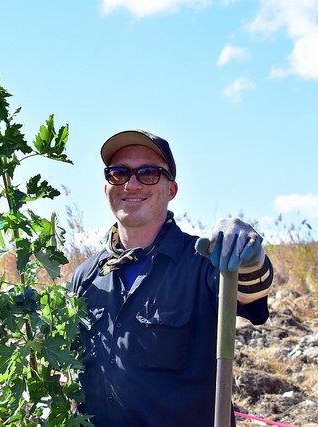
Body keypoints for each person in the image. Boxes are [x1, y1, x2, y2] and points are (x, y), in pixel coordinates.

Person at [70, 130, 273, 427]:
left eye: (149, 173)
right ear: (106, 188)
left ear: (171, 189)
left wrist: (249, 258)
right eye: (118, 173)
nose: (131, 183)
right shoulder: (85, 277)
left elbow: (251, 292)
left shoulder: (203, 261)